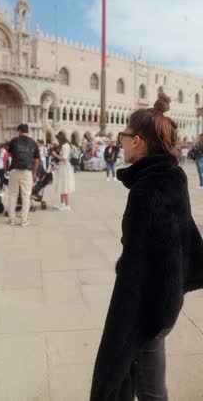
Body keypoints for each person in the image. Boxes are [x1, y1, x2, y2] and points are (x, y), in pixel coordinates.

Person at [90, 93, 203, 401]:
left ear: (137, 141)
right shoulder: (172, 176)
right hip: (166, 299)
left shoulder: (147, 188)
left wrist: (130, 320)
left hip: (150, 307)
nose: (121, 142)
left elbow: (139, 263)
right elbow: (180, 238)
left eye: (123, 136)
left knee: (150, 390)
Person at [7, 124, 40, 226]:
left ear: (20, 131)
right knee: (26, 196)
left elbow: (9, 154)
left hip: (14, 170)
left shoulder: (14, 141)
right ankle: (24, 219)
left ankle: (12, 219)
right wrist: (34, 173)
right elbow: (36, 160)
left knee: (13, 194)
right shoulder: (33, 143)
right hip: (27, 171)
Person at [52, 131, 75, 211]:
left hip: (65, 168)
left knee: (65, 185)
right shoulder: (65, 145)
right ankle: (62, 203)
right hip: (62, 167)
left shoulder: (65, 146)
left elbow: (64, 159)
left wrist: (55, 155)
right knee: (62, 185)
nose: (57, 141)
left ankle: (67, 205)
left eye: (58, 139)